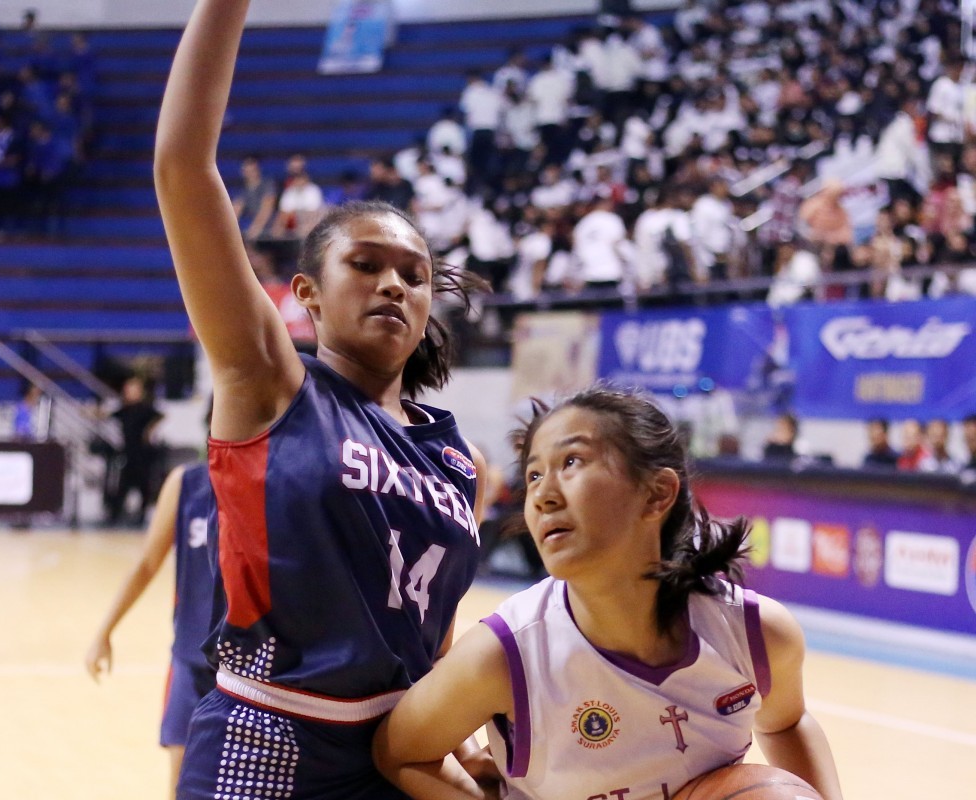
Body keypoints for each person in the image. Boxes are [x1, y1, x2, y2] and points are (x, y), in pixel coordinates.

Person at [152, 1, 489, 796]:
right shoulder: (270, 382)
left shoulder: (457, 459)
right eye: (366, 265)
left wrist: (460, 733)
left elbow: (429, 634)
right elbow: (181, 167)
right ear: (306, 293)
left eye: (413, 275)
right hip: (266, 742)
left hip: (393, 758)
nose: (394, 285)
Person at [373, 388, 843, 800]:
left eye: (571, 462)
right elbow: (399, 752)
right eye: (534, 475)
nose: (543, 495)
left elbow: (787, 722)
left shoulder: (755, 633)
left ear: (657, 494)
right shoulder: (505, 653)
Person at [86, 457, 216, 797]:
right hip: (191, 657)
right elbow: (147, 563)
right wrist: (105, 632)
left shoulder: (270, 478)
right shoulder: (186, 483)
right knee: (181, 775)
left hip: (248, 665)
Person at [104, 376, 164, 527]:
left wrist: (149, 430)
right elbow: (108, 415)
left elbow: (160, 416)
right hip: (128, 453)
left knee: (144, 486)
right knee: (122, 486)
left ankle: (141, 515)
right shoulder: (124, 409)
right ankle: (115, 515)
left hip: (143, 454)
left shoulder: (146, 408)